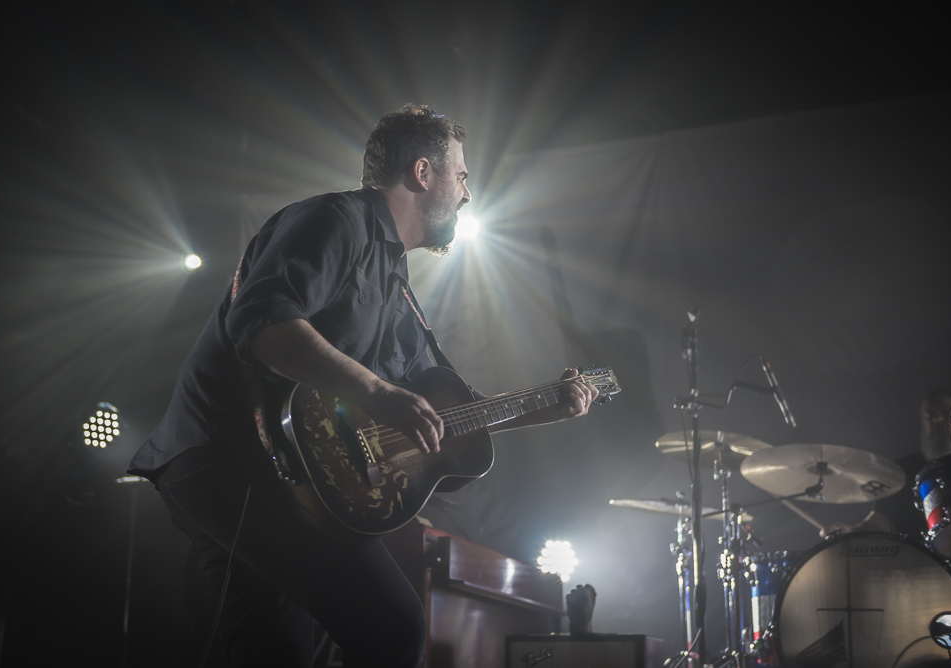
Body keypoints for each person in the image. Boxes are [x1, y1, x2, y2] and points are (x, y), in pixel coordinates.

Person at [127, 104, 598, 668]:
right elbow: (261, 326)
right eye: (462, 175)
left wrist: (546, 406)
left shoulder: (396, 283)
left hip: (281, 475)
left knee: (275, 653)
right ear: (423, 173)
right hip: (236, 460)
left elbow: (441, 414)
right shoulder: (335, 220)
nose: (468, 193)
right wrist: (376, 393)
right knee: (394, 630)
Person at [821, 388, 951, 539]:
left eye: (945, 411)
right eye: (930, 414)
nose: (937, 418)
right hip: (919, 553)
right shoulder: (902, 471)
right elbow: (878, 522)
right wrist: (853, 531)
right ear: (922, 423)